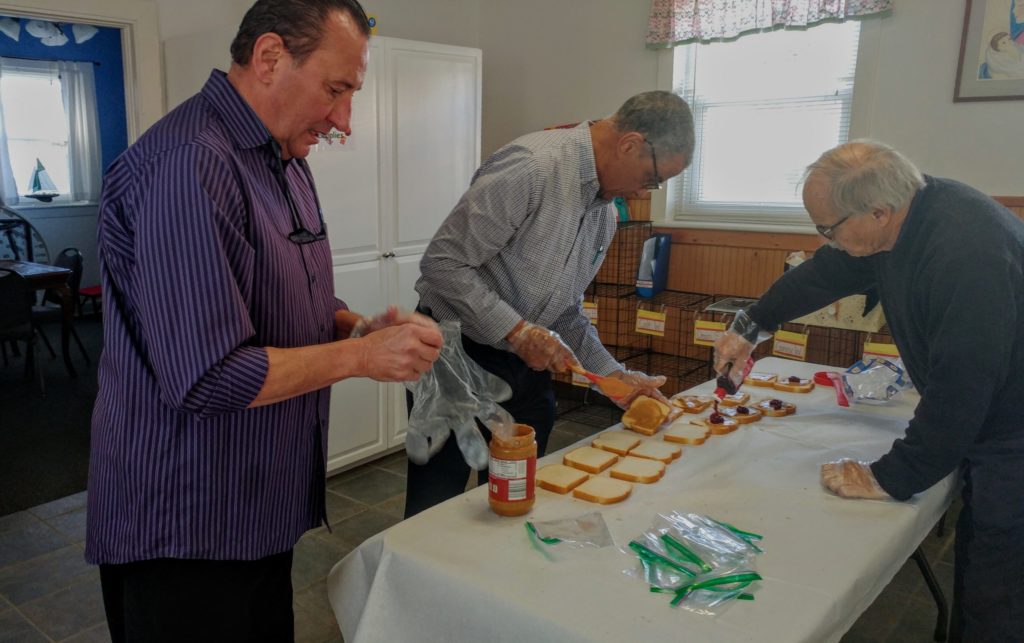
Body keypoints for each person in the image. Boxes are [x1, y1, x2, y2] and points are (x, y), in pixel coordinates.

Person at [85, 1, 442, 641]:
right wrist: (361, 359)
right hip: (187, 524)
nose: (344, 121)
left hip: (254, 507)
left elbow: (290, 299)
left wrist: (355, 328)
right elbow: (208, 377)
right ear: (271, 57)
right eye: (336, 90)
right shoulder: (190, 165)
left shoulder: (283, 158)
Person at [713, 140, 1024, 642]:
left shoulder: (965, 252)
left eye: (827, 228)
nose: (824, 239)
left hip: (1013, 427)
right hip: (988, 405)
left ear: (878, 212)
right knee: (982, 556)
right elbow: (825, 273)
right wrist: (751, 325)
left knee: (1001, 580)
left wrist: (891, 477)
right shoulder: (898, 219)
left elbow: (961, 385)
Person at [407, 91, 695, 518]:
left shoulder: (604, 214)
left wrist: (613, 376)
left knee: (517, 495)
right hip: (454, 355)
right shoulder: (533, 168)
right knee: (437, 504)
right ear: (630, 144)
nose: (644, 193)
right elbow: (443, 264)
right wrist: (518, 330)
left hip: (526, 367)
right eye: (653, 179)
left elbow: (564, 312)